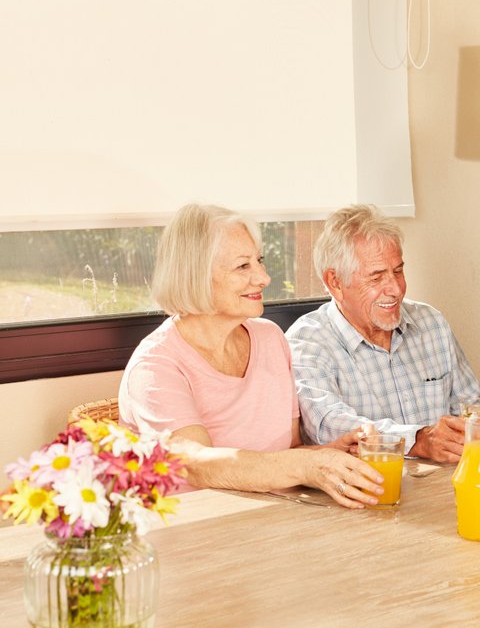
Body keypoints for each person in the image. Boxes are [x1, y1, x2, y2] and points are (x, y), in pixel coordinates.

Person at [119, 203, 384, 509]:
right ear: (197, 275)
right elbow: (196, 464)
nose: (263, 277)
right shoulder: (155, 366)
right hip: (197, 534)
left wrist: (332, 453)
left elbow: (287, 452)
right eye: (243, 266)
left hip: (278, 522)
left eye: (259, 261)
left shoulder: (270, 339)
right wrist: (305, 465)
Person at [286, 204, 480, 463]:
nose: (395, 289)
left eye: (398, 271)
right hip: (363, 495)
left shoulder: (431, 323)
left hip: (445, 488)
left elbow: (468, 408)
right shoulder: (308, 341)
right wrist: (418, 440)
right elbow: (329, 426)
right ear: (335, 282)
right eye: (377, 277)